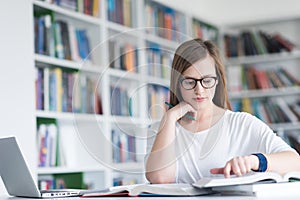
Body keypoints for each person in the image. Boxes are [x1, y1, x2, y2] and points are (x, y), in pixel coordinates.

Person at [144, 38, 300, 184]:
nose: (200, 90)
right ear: (177, 83)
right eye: (189, 81)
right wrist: (170, 118)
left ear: (217, 81)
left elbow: (295, 162)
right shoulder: (163, 129)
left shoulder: (241, 124)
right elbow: (160, 177)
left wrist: (254, 161)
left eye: (207, 80)